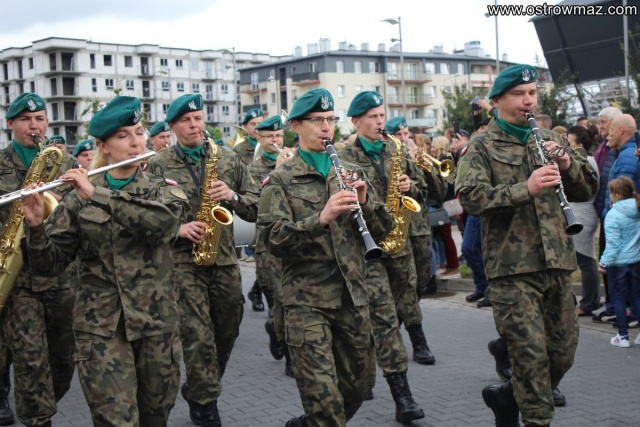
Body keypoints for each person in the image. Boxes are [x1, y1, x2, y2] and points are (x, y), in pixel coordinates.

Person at [23, 95, 187, 426]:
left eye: (139, 132)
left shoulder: (162, 188)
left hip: (156, 324)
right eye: (123, 136)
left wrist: (96, 194)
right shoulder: (76, 199)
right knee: (116, 420)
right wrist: (36, 227)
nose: (136, 142)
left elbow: (163, 226)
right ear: (103, 146)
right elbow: (50, 266)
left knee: (155, 417)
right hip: (100, 328)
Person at [455, 64, 598, 427]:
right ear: (497, 101)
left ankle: (507, 396)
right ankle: (536, 418)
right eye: (518, 94)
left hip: (558, 262)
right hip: (512, 269)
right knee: (530, 358)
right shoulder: (482, 145)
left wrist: (566, 163)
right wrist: (526, 188)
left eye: (532, 93)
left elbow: (586, 189)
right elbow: (470, 198)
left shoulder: (550, 137)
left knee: (562, 353)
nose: (528, 100)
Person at [257, 88, 394, 427]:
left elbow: (384, 229)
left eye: (330, 119)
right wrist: (320, 219)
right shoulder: (281, 179)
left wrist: (366, 202)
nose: (325, 127)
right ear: (295, 126)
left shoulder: (350, 170)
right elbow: (272, 238)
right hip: (306, 301)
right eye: (317, 120)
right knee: (323, 397)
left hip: (352, 296)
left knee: (361, 384)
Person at [146, 94, 260, 427]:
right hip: (182, 262)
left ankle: (200, 385)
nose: (194, 125)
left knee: (228, 329)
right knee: (197, 335)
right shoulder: (158, 164)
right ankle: (205, 402)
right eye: (186, 120)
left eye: (198, 118)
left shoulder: (228, 158)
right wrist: (177, 228)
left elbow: (257, 206)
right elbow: (145, 215)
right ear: (172, 126)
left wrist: (233, 197)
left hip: (223, 258)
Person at [339, 91, 436, 366]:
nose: (380, 121)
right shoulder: (344, 157)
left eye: (382, 115)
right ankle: (380, 356)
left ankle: (416, 341)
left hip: (399, 236)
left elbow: (423, 190)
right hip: (366, 241)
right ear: (356, 121)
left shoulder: (396, 149)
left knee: (409, 293)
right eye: (373, 116)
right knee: (379, 303)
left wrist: (410, 186)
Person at [0, 92, 78, 427]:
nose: (34, 126)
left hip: (60, 275)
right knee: (30, 359)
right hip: (18, 278)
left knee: (63, 358)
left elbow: (79, 213)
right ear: (11, 124)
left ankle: (41, 403)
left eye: (40, 119)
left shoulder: (66, 164)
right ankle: (37, 418)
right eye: (26, 120)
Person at [246, 115, 295, 377]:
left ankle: (277, 329)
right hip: (269, 245)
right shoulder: (253, 170)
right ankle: (289, 355)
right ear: (259, 138)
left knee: (293, 300)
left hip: (295, 240)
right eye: (270, 137)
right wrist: (278, 171)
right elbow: (257, 207)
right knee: (281, 300)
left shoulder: (296, 161)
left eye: (278, 136)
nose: (275, 140)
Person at [385, 116, 445, 300]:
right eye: (399, 134)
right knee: (405, 282)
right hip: (397, 229)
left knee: (423, 276)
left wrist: (427, 170)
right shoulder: (388, 159)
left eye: (406, 134)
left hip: (419, 228)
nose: (404, 139)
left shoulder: (415, 158)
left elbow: (438, 193)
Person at [598, 177, 640, 348]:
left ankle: (622, 336)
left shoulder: (613, 215)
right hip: (636, 260)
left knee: (619, 299)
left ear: (616, 195)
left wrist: (603, 263)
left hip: (618, 264)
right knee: (636, 296)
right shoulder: (637, 209)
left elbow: (613, 245)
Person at [591, 106, 622, 322]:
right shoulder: (606, 146)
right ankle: (611, 303)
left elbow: (616, 182)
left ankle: (617, 306)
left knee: (614, 261)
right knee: (605, 256)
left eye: (603, 122)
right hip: (606, 210)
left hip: (613, 212)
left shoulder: (616, 149)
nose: (600, 126)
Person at [567, 126, 601, 316]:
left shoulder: (585, 162)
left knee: (586, 261)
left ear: (579, 145)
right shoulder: (589, 160)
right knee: (587, 260)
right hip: (582, 212)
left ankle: (588, 303)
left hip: (582, 213)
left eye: (569, 142)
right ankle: (591, 301)